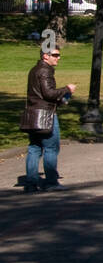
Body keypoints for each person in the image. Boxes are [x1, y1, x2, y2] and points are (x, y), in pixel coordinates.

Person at [21, 45, 75, 192]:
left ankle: (30, 183)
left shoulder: (34, 70)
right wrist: (67, 89)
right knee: (51, 148)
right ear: (46, 56)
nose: (58, 58)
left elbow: (39, 94)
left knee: (34, 148)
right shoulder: (45, 70)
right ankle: (51, 182)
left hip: (33, 115)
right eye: (55, 55)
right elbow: (48, 93)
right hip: (45, 115)